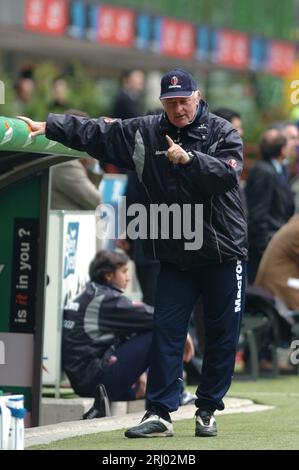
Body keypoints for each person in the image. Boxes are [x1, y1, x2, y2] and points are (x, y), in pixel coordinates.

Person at [18, 68, 247, 438]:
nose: (178, 109)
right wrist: (50, 126)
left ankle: (207, 408)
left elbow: (227, 174)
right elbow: (99, 131)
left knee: (222, 335)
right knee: (166, 329)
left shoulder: (223, 131)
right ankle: (159, 412)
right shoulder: (146, 130)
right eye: (170, 103)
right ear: (161, 104)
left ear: (198, 97)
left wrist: (189, 160)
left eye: (184, 101)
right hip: (176, 253)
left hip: (223, 252)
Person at [62, 250, 195, 418]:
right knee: (158, 333)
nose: (128, 277)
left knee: (138, 391)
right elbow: (158, 318)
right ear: (109, 275)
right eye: (124, 271)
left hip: (87, 378)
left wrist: (140, 374)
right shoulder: (106, 299)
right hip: (94, 381)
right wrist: (184, 334)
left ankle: (167, 391)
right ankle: (178, 392)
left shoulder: (92, 293)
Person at [246, 129, 294, 283]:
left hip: (275, 238)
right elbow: (258, 212)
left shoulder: (281, 170)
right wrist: (263, 244)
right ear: (282, 150)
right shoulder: (264, 171)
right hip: (264, 244)